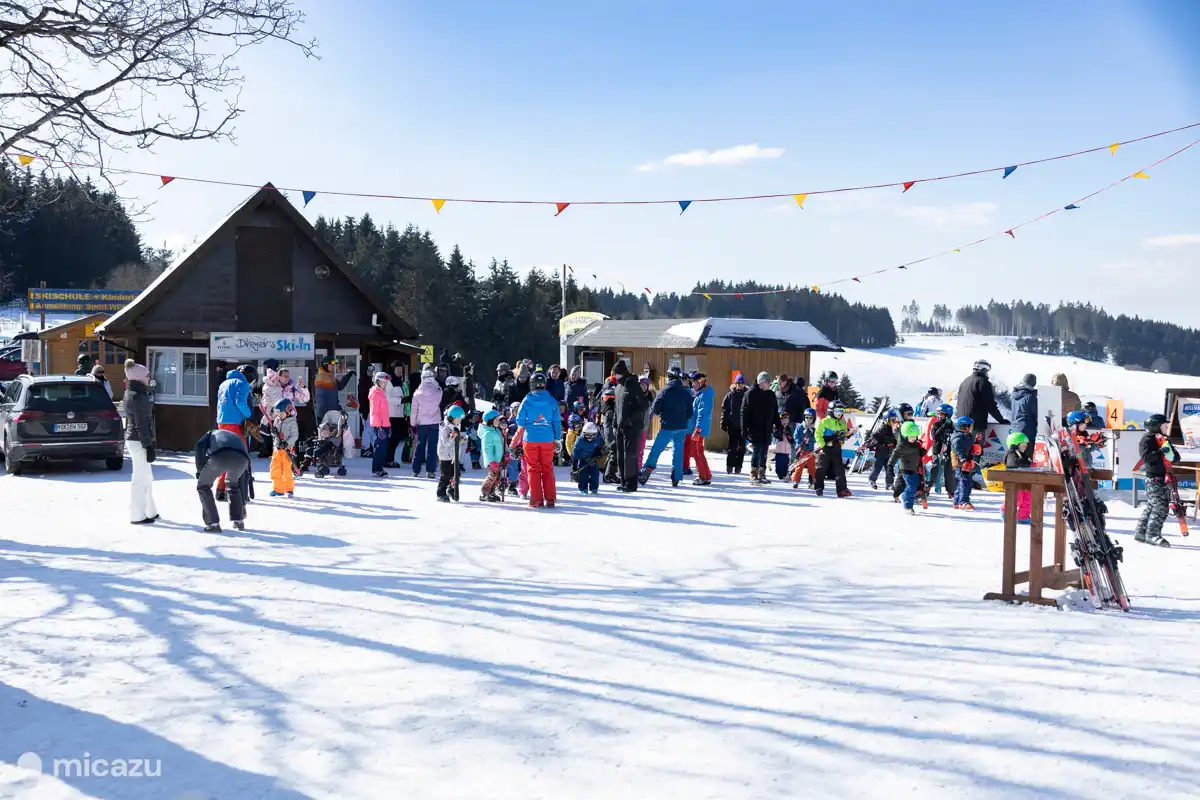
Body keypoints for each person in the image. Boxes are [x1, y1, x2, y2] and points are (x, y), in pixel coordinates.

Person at [639, 368, 694, 487]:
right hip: (682, 427)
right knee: (678, 451)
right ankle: (677, 476)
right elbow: (690, 412)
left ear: (669, 377)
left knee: (656, 450)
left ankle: (646, 470)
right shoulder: (686, 392)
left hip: (667, 426)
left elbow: (656, 409)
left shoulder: (664, 391)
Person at [516, 370, 562, 507]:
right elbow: (557, 422)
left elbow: (520, 421)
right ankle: (551, 499)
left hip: (530, 440)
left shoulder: (527, 400)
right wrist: (558, 439)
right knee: (547, 468)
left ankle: (536, 500)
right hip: (548, 440)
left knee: (533, 469)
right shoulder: (552, 401)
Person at [124, 360, 158, 525]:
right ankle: (137, 514)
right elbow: (141, 423)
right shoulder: (138, 396)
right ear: (138, 378)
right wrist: (148, 445)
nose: (148, 377)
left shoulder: (135, 392)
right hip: (138, 441)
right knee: (140, 478)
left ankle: (150, 510)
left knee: (147, 476)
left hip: (137, 440)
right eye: (146, 375)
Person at [195, 427, 250, 532]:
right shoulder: (235, 436)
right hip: (242, 459)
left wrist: (199, 470)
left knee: (203, 486)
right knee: (233, 484)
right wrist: (243, 503)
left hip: (220, 455)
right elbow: (243, 480)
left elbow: (199, 446)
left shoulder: (210, 434)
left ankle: (213, 523)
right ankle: (238, 520)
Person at [1135, 413, 1177, 547]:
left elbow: (1176, 457)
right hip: (1153, 478)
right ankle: (1153, 535)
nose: (1167, 427)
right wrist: (1161, 451)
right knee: (1161, 507)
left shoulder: (1163, 439)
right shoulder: (1147, 439)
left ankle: (1141, 532)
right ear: (1156, 426)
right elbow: (1146, 457)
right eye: (1165, 425)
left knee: (1152, 505)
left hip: (1163, 477)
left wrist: (1170, 453)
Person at [214, 364, 256, 500]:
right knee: (239, 457)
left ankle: (220, 489)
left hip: (222, 422)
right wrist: (250, 416)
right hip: (235, 424)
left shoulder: (224, 383)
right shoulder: (241, 384)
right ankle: (235, 491)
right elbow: (240, 402)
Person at [612, 362, 649, 492]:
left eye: (615, 373)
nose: (614, 376)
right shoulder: (618, 386)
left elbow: (644, 405)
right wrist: (614, 423)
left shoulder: (632, 384)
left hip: (632, 426)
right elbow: (616, 408)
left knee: (630, 455)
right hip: (620, 426)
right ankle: (623, 480)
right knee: (620, 455)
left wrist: (630, 418)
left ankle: (631, 483)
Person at [741, 371, 781, 484]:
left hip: (767, 428)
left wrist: (778, 425)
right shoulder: (750, 394)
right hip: (755, 428)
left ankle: (762, 472)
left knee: (764, 451)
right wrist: (744, 428)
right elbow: (744, 412)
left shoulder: (771, 395)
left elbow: (775, 412)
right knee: (757, 451)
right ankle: (754, 473)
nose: (770, 384)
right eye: (768, 382)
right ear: (762, 382)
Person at [955, 360, 1008, 439]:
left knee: (961, 448)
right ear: (983, 370)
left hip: (960, 423)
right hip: (975, 424)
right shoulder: (983, 382)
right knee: (976, 449)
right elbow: (990, 404)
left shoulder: (965, 381)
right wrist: (1001, 419)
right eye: (987, 371)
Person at [410, 367, 443, 478]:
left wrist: (412, 424)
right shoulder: (438, 392)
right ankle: (431, 471)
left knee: (420, 445)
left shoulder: (417, 394)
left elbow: (414, 411)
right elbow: (440, 396)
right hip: (434, 422)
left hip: (421, 423)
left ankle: (416, 470)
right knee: (432, 446)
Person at [814, 402, 851, 497]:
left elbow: (844, 436)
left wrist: (845, 437)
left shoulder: (842, 422)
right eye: (837, 411)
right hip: (825, 447)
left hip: (836, 448)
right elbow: (818, 435)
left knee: (839, 469)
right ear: (831, 410)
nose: (839, 413)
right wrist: (823, 446)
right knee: (822, 468)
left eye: (841, 411)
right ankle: (818, 487)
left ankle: (841, 489)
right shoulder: (824, 421)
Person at [889, 420, 925, 514]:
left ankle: (903, 496)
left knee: (913, 487)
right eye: (911, 436)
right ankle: (907, 506)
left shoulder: (916, 444)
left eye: (915, 436)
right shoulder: (902, 446)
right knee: (911, 488)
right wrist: (890, 467)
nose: (913, 438)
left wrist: (921, 452)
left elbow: (917, 452)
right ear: (905, 436)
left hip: (915, 469)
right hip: (906, 469)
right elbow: (894, 456)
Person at [686, 371, 715, 486]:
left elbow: (702, 415)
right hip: (697, 428)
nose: (692, 385)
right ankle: (706, 474)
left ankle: (704, 477)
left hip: (699, 429)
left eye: (694, 383)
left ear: (701, 382)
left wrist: (697, 430)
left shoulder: (705, 395)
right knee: (698, 451)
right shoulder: (701, 393)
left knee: (696, 451)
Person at [436, 405, 467, 502]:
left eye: (460, 420)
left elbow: (456, 441)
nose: (459, 422)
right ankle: (440, 493)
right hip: (445, 456)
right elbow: (445, 443)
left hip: (454, 455)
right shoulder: (445, 428)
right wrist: (452, 438)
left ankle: (451, 489)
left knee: (456, 474)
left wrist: (461, 440)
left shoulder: (456, 427)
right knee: (446, 475)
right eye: (457, 419)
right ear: (451, 418)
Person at [269, 399, 299, 497]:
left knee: (286, 470)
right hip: (277, 449)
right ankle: (278, 489)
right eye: (277, 413)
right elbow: (275, 432)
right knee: (275, 469)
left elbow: (295, 436)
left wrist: (286, 443)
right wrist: (273, 431)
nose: (279, 415)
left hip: (287, 450)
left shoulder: (292, 422)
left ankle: (289, 489)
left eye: (281, 413)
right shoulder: (277, 420)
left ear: (288, 411)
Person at [866, 409, 900, 491]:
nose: (894, 421)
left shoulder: (895, 429)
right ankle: (872, 480)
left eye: (895, 419)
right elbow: (873, 437)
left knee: (889, 469)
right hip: (881, 452)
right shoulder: (882, 428)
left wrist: (896, 445)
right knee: (877, 468)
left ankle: (889, 483)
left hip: (890, 452)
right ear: (886, 420)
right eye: (892, 419)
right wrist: (880, 443)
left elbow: (897, 439)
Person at [721, 374, 749, 474]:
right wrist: (723, 422)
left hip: (743, 426)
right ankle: (729, 466)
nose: (739, 385)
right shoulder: (730, 395)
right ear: (735, 384)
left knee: (741, 448)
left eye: (741, 383)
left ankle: (738, 467)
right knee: (732, 447)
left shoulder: (747, 395)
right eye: (738, 383)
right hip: (733, 425)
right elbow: (725, 410)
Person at [1004, 431, 1033, 525]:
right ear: (1015, 445)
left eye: (1026, 445)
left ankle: (1023, 517)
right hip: (1015, 482)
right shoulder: (1011, 453)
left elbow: (1027, 463)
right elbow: (1013, 463)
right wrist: (1025, 462)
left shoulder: (1023, 454)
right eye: (1023, 445)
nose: (1025, 447)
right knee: (1017, 499)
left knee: (1028, 499)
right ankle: (1005, 511)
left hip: (1025, 480)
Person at [385, 361, 411, 468]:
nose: (400, 371)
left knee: (396, 439)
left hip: (400, 414)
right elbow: (386, 398)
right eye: (398, 369)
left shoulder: (401, 382)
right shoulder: (389, 382)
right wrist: (401, 400)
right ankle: (387, 459)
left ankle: (390, 459)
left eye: (401, 369)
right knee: (392, 439)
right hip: (391, 414)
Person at [313, 357, 355, 422]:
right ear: (325, 365)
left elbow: (340, 386)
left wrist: (348, 376)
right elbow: (320, 399)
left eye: (333, 365)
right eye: (331, 365)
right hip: (325, 416)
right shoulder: (320, 378)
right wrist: (321, 417)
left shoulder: (331, 377)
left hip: (333, 413)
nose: (333, 366)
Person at [571, 421, 607, 495]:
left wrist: (599, 452)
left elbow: (603, 446)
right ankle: (583, 488)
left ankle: (594, 488)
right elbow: (575, 452)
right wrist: (574, 465)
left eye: (592, 435)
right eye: (587, 435)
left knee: (595, 474)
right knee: (583, 475)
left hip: (593, 460)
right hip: (583, 460)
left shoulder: (598, 439)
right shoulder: (580, 440)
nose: (590, 438)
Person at [478, 409, 506, 502]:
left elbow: (503, 442)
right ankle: (484, 492)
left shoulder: (497, 431)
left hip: (499, 459)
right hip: (493, 460)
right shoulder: (488, 433)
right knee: (492, 477)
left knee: (497, 478)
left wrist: (507, 452)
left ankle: (491, 492)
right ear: (490, 421)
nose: (499, 421)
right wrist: (491, 460)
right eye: (496, 419)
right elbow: (487, 449)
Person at [367, 371, 392, 477]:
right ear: (378, 382)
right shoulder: (376, 394)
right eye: (383, 382)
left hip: (384, 424)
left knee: (383, 448)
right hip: (379, 425)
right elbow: (375, 412)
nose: (385, 384)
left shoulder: (381, 393)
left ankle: (379, 467)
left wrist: (388, 425)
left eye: (386, 382)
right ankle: (377, 468)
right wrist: (378, 426)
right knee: (379, 448)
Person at [950, 415, 978, 510]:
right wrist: (963, 459)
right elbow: (959, 449)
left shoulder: (965, 436)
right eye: (969, 426)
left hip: (966, 462)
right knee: (965, 482)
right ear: (964, 427)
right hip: (962, 464)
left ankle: (957, 502)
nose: (971, 428)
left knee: (961, 482)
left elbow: (968, 447)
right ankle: (964, 502)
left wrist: (976, 442)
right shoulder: (958, 438)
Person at [789, 407, 818, 489]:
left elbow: (816, 439)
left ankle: (812, 480)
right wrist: (800, 442)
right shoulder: (800, 427)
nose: (808, 419)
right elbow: (795, 436)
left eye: (810, 418)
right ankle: (796, 481)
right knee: (799, 466)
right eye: (807, 417)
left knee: (812, 467)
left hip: (810, 451)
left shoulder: (814, 429)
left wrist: (811, 438)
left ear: (814, 419)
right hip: (801, 451)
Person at [1010, 374, 1038, 446]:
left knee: (1015, 454)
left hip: (1014, 430)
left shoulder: (1013, 395)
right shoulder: (1030, 397)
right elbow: (1037, 413)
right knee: (1026, 455)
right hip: (1026, 432)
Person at [773, 411, 794, 479]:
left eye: (786, 422)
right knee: (779, 463)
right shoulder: (777, 428)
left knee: (786, 463)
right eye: (783, 422)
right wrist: (781, 431)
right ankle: (779, 473)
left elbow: (791, 438)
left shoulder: (788, 428)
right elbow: (776, 435)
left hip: (787, 450)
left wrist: (790, 437)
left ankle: (785, 473)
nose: (785, 424)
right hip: (779, 449)